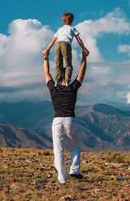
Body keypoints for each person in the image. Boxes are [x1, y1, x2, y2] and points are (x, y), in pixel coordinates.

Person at [42, 48, 88, 184]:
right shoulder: (72, 88)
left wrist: (45, 58)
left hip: (56, 121)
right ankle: (74, 170)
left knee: (59, 151)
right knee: (74, 147)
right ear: (67, 75)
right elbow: (81, 73)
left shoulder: (53, 88)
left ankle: (62, 178)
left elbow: (46, 73)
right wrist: (84, 57)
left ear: (58, 75)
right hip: (70, 120)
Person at [42, 12, 89, 87]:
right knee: (68, 65)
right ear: (72, 21)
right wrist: (84, 48)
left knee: (58, 65)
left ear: (63, 21)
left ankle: (57, 81)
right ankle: (67, 82)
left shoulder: (60, 29)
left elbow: (53, 40)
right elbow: (79, 40)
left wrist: (47, 49)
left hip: (57, 45)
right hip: (66, 45)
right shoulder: (72, 29)